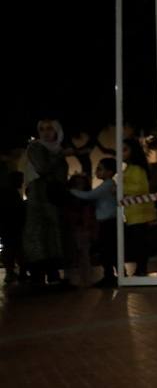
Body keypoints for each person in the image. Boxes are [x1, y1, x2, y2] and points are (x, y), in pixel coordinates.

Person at [23, 120, 72, 286]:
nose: (45, 132)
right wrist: (60, 156)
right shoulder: (36, 147)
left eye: (50, 128)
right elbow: (42, 168)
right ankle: (38, 274)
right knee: (39, 233)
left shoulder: (57, 149)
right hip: (39, 195)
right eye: (42, 129)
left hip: (53, 196)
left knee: (53, 234)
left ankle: (53, 273)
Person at [71, 157, 119, 287]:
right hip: (109, 221)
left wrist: (73, 191)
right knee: (110, 249)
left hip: (107, 222)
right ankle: (117, 274)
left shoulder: (107, 185)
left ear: (109, 172)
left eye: (100, 169)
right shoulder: (109, 185)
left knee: (107, 250)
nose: (97, 171)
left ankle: (110, 276)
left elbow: (89, 195)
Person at [121, 138, 157, 276]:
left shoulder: (136, 168)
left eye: (125, 150)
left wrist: (121, 188)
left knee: (139, 243)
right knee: (137, 243)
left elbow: (141, 187)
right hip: (134, 212)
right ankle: (140, 269)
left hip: (139, 212)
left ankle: (141, 269)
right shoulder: (131, 168)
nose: (122, 153)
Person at [2, 171, 24, 281]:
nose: (22, 182)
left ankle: (10, 272)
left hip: (8, 226)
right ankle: (12, 272)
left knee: (10, 249)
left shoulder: (8, 192)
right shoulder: (11, 193)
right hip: (12, 226)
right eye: (20, 179)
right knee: (14, 249)